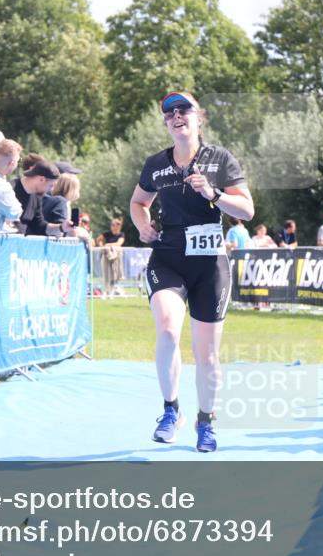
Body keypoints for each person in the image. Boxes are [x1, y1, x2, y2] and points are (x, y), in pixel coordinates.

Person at [130, 91, 253, 453]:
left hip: (209, 264)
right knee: (167, 328)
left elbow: (246, 210)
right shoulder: (156, 164)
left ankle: (206, 421)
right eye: (169, 112)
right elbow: (139, 201)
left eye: (184, 109)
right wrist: (142, 224)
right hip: (168, 257)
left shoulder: (221, 159)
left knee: (207, 353)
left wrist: (214, 195)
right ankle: (170, 412)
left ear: (200, 117)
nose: (176, 115)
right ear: (166, 122)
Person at [14, 160, 63, 236]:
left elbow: (39, 227)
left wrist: (62, 227)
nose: (51, 190)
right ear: (41, 179)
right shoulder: (10, 190)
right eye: (51, 185)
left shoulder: (37, 197)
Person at [97, 218, 126, 296]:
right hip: (107, 255)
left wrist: (108, 245)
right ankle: (106, 290)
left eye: (117, 224)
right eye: (113, 224)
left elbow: (119, 243)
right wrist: (102, 246)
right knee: (106, 272)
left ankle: (114, 288)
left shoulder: (121, 234)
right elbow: (98, 239)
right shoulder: (107, 233)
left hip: (116, 256)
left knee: (113, 249)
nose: (115, 226)